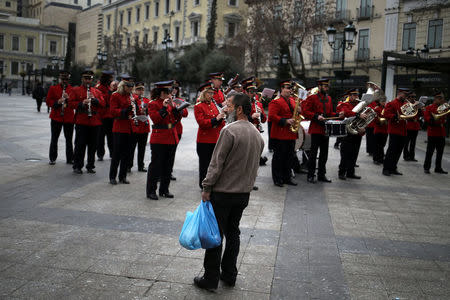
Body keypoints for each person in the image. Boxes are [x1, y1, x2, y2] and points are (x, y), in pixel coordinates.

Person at [194, 93, 264, 291]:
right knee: (233, 233)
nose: (225, 108)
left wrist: (207, 187)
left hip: (223, 193)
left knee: (216, 235)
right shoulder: (256, 134)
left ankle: (210, 278)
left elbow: (216, 164)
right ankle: (229, 274)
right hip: (243, 194)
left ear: (239, 109)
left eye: (229, 105)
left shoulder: (229, 131)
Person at [303, 78, 343, 183]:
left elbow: (329, 113)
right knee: (313, 154)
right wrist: (316, 116)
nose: (327, 88)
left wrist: (338, 115)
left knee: (324, 154)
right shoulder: (312, 98)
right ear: (319, 86)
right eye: (325, 86)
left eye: (327, 86)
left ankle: (321, 175)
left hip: (326, 130)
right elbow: (306, 111)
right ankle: (310, 175)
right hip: (316, 129)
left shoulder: (329, 98)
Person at [146, 81, 180, 200]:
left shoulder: (170, 103)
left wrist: (174, 106)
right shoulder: (153, 104)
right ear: (162, 93)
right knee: (156, 166)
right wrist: (164, 107)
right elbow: (156, 119)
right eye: (168, 92)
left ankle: (164, 189)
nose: (170, 95)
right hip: (159, 138)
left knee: (168, 166)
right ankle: (151, 190)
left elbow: (177, 117)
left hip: (171, 137)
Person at [69, 70, 104, 174]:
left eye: (90, 79)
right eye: (86, 78)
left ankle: (90, 165)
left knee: (93, 145)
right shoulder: (76, 90)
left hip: (95, 122)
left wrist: (95, 100)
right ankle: (77, 166)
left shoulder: (96, 91)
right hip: (82, 121)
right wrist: (81, 103)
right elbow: (70, 103)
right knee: (80, 145)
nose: (88, 80)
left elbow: (103, 103)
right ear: (82, 79)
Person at [194, 82, 226, 190]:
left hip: (215, 138)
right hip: (204, 140)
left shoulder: (213, 104)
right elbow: (202, 123)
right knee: (204, 164)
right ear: (203, 94)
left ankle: (212, 183)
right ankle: (203, 184)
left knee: (214, 164)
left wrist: (222, 117)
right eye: (209, 93)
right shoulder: (198, 106)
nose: (211, 95)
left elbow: (221, 123)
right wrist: (215, 119)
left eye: (212, 93)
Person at [268, 80, 298, 187]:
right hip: (280, 134)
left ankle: (287, 177)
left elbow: (295, 113)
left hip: (291, 133)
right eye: (287, 88)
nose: (289, 90)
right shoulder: (276, 101)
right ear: (282, 89)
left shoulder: (293, 100)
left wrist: (299, 110)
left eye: (290, 88)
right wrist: (285, 121)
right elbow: (271, 116)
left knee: (289, 157)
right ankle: (277, 178)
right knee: (279, 157)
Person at [108, 78, 136, 184]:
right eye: (128, 86)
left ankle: (122, 176)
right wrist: (124, 111)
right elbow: (112, 111)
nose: (130, 88)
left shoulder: (131, 97)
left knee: (127, 154)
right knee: (117, 154)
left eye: (131, 87)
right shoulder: (115, 95)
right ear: (123, 86)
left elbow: (133, 111)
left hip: (129, 127)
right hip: (119, 127)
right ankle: (112, 177)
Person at [337, 89, 367, 180]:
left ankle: (351, 172)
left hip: (357, 132)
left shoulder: (361, 106)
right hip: (347, 132)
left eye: (357, 95)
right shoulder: (345, 104)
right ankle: (342, 172)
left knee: (354, 153)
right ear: (349, 96)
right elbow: (346, 112)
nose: (356, 97)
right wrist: (358, 115)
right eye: (354, 95)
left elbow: (365, 117)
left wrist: (363, 128)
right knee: (345, 154)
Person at [46, 70, 74, 165]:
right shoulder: (53, 88)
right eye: (63, 79)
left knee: (69, 139)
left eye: (66, 79)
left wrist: (68, 99)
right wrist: (57, 102)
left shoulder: (72, 89)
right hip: (56, 117)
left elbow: (74, 104)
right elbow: (48, 101)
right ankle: (52, 158)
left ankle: (70, 159)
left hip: (69, 117)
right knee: (54, 138)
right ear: (60, 79)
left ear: (68, 80)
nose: (64, 81)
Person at [382, 88, 411, 176]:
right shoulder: (391, 103)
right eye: (404, 94)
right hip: (394, 130)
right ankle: (386, 169)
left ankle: (393, 168)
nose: (406, 96)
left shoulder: (406, 104)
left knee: (399, 151)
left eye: (406, 95)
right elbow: (386, 114)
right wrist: (395, 116)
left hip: (403, 130)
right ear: (399, 93)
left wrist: (415, 108)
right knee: (391, 150)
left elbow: (410, 114)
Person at [423, 91, 448, 174]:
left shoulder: (444, 107)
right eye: (439, 98)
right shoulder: (430, 107)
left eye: (442, 98)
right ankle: (426, 167)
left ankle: (438, 167)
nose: (441, 100)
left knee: (440, 152)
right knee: (430, 152)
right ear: (435, 99)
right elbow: (426, 118)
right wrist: (433, 119)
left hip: (441, 132)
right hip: (433, 132)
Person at [168, 81, 189, 180]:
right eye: (172, 88)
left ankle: (169, 172)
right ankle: (161, 173)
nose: (174, 90)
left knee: (172, 153)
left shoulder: (180, 100)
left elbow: (185, 114)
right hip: (167, 128)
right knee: (164, 153)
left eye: (176, 88)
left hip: (177, 129)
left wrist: (179, 108)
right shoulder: (166, 99)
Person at [129, 81, 151, 173]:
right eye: (138, 89)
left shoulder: (146, 100)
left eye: (142, 89)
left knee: (142, 148)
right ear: (135, 90)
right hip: (135, 125)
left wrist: (146, 110)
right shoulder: (132, 99)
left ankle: (141, 165)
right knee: (131, 148)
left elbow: (150, 111)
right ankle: (128, 165)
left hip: (144, 126)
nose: (141, 91)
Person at [96, 70, 115, 161]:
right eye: (110, 78)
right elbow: (102, 100)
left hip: (110, 115)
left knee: (111, 136)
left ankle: (112, 152)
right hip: (102, 115)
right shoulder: (99, 87)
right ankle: (100, 154)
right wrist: (110, 92)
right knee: (100, 136)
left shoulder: (110, 87)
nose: (112, 80)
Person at [403, 92, 421, 162]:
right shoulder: (406, 105)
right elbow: (407, 114)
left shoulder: (416, 104)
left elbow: (421, 114)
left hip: (415, 126)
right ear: (408, 98)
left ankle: (412, 156)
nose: (413, 98)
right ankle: (406, 156)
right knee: (406, 142)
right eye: (412, 97)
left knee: (413, 143)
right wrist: (413, 107)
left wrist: (419, 108)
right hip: (408, 125)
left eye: (414, 97)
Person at [373, 97, 388, 165]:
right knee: (377, 145)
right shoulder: (377, 109)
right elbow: (374, 119)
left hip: (385, 129)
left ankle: (381, 158)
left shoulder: (386, 109)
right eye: (382, 101)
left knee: (382, 145)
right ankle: (376, 159)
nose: (384, 102)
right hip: (378, 129)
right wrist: (380, 121)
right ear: (379, 102)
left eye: (384, 101)